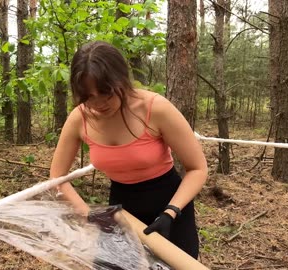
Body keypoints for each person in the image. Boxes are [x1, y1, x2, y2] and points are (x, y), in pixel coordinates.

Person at [49, 40, 208, 259]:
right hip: (122, 208)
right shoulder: (80, 118)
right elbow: (57, 177)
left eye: (106, 92)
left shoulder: (155, 108)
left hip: (170, 205)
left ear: (122, 79)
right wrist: (89, 215)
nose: (98, 103)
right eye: (88, 96)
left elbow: (197, 168)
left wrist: (171, 212)